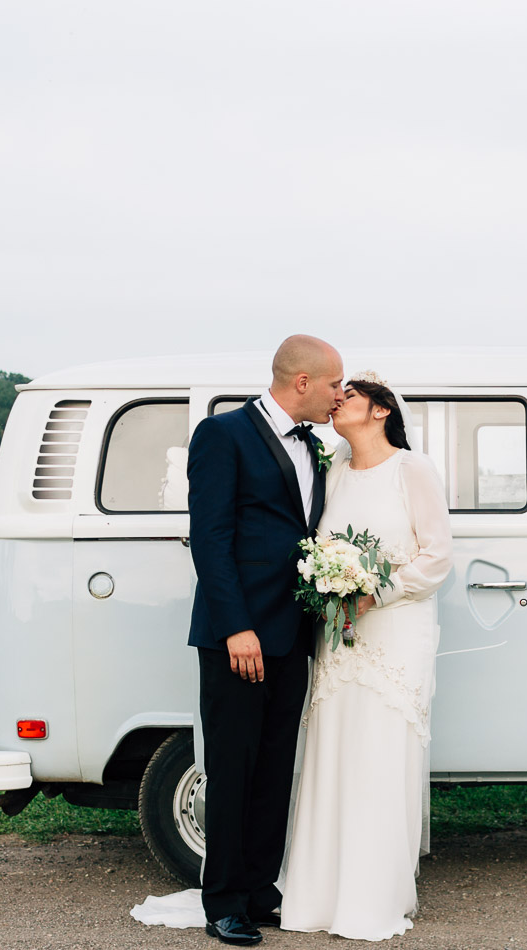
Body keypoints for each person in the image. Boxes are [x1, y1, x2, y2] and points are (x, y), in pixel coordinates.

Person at [276, 370, 453, 941]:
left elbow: (437, 558)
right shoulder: (332, 473)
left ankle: (374, 897)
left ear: (380, 411)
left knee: (379, 753)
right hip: (339, 634)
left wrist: (377, 590)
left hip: (396, 631)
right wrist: (329, 587)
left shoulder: (413, 469)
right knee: (334, 753)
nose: (335, 402)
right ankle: (320, 898)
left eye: (347, 395)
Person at [184, 335, 344, 946]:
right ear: (302, 381)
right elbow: (212, 539)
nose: (339, 394)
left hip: (294, 632)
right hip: (239, 635)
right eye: (333, 384)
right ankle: (222, 899)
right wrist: (235, 627)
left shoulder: (316, 447)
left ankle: (258, 887)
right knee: (233, 765)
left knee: (276, 767)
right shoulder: (222, 435)